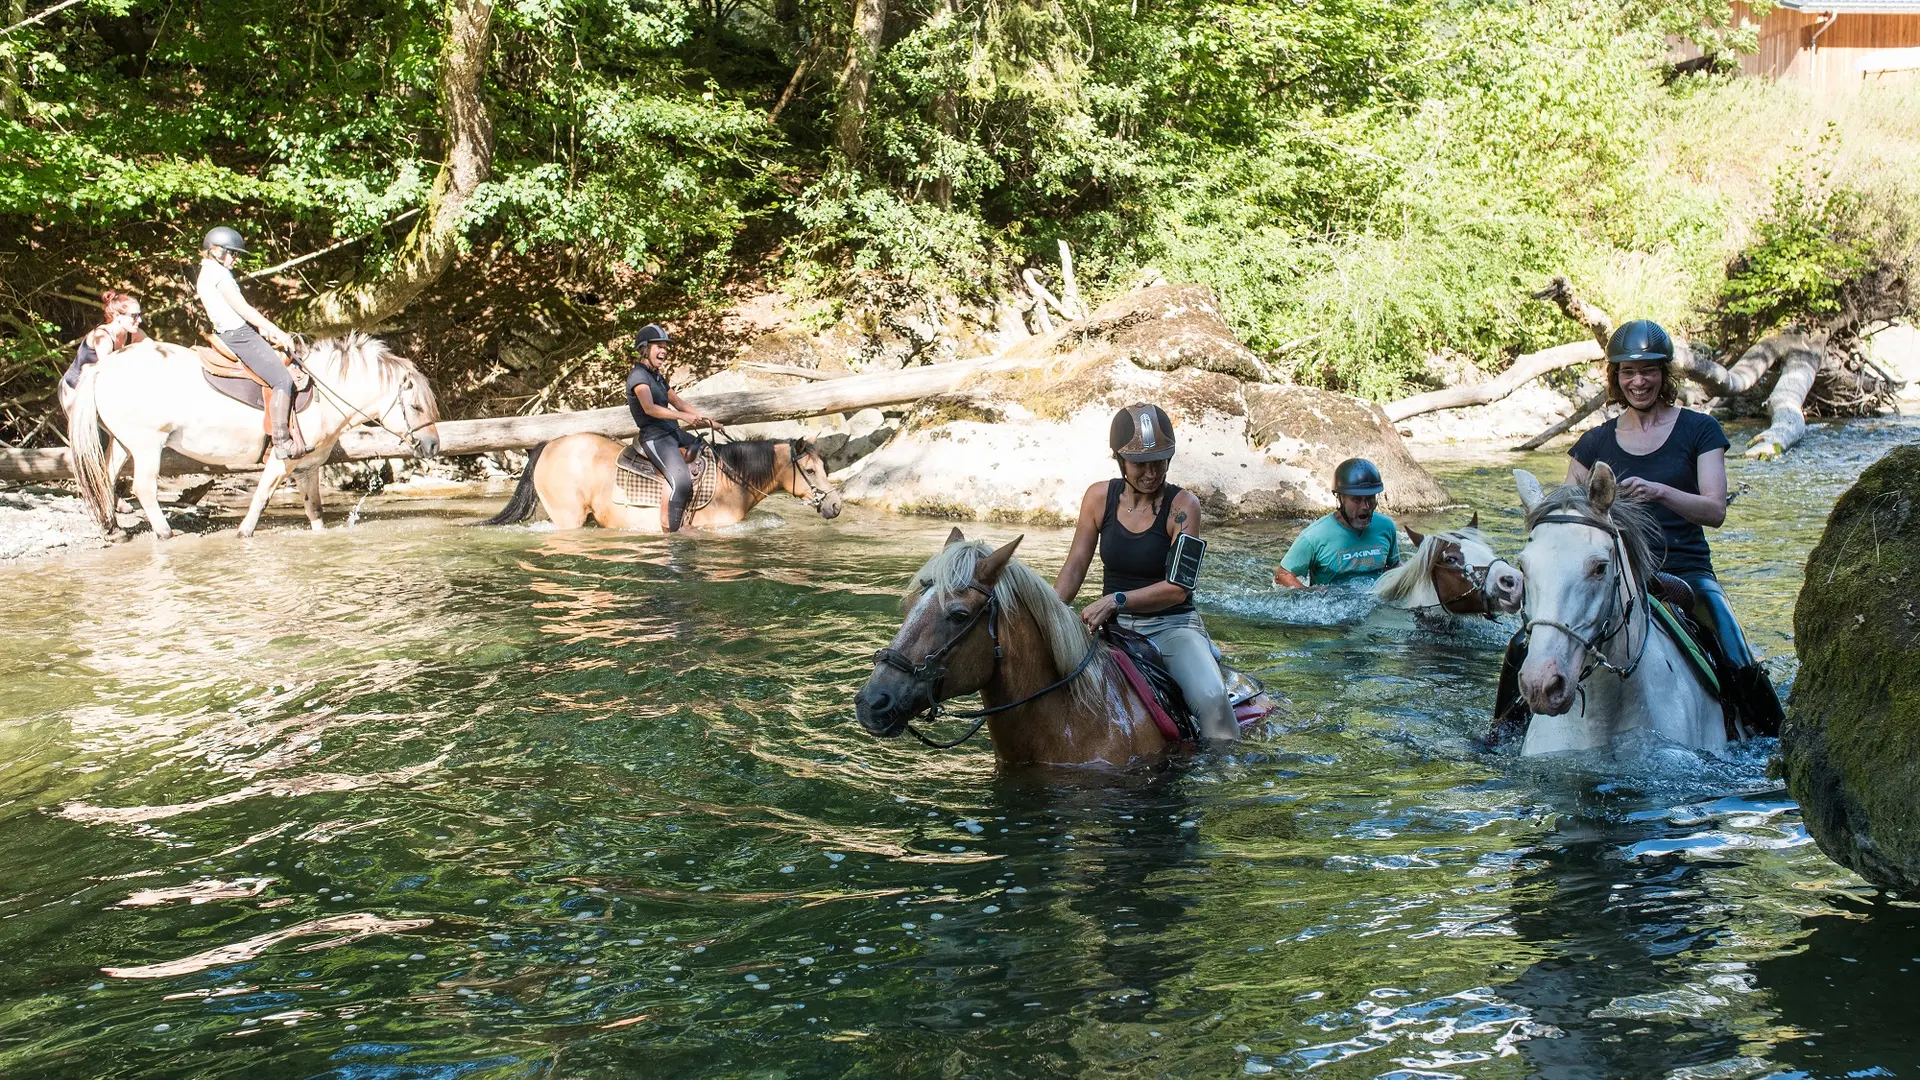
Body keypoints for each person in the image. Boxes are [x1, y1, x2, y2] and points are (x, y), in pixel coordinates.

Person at [1562, 319, 1784, 733]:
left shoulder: (1700, 430)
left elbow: (1715, 510)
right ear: (1616, 377)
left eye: (1647, 371)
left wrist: (1661, 492)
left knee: (1736, 656)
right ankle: (1504, 729)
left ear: (1664, 375)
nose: (1638, 381)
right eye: (1627, 371)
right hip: (1614, 575)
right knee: (1528, 642)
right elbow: (1568, 518)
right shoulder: (1593, 443)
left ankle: (1776, 737)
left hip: (1686, 573)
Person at [1053, 403, 1237, 743]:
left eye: (1160, 461)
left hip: (1172, 627)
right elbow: (1076, 565)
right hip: (1112, 629)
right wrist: (1047, 611)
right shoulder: (1097, 498)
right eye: (1140, 463)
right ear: (1120, 460)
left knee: (1213, 700)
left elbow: (1179, 588)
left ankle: (1224, 772)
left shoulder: (1184, 507)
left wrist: (1117, 600)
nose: (1151, 472)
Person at [197, 226, 301, 458]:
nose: (236, 259)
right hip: (239, 335)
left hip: (233, 332)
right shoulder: (219, 274)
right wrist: (278, 332)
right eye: (232, 253)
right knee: (282, 379)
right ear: (215, 251)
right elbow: (243, 309)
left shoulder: (207, 272)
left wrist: (264, 332)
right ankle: (281, 441)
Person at [624, 323, 725, 532]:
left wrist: (706, 420)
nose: (664, 351)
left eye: (665, 347)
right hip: (655, 437)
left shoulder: (658, 377)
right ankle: (673, 531)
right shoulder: (638, 376)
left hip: (672, 432)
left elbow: (678, 402)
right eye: (658, 347)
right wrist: (683, 417)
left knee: (708, 451)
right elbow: (650, 408)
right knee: (681, 481)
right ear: (644, 349)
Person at [1273, 458, 1401, 587]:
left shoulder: (1386, 526)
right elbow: (1282, 575)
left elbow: (1394, 565)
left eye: (1370, 498)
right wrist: (1309, 594)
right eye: (1356, 499)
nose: (1365, 506)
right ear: (1340, 498)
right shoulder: (1315, 536)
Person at [59, 291, 148, 409]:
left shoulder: (135, 334)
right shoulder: (102, 336)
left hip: (99, 388)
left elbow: (158, 350)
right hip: (74, 390)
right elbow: (108, 369)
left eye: (140, 315)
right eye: (134, 316)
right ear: (117, 316)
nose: (140, 320)